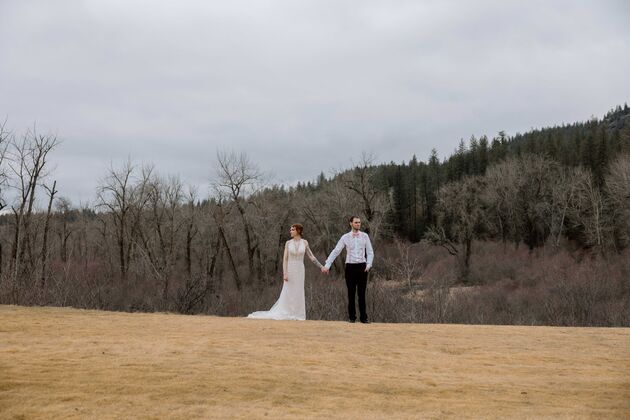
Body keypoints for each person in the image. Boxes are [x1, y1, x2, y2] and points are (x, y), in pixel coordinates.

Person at [247, 223, 324, 320]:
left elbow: (312, 257)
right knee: (288, 291)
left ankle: (298, 314)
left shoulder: (305, 242)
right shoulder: (288, 243)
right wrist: (285, 273)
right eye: (290, 229)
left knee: (299, 291)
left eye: (292, 229)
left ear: (298, 231)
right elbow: (285, 259)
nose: (290, 231)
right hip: (290, 269)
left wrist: (321, 266)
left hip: (300, 269)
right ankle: (288, 312)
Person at [322, 216, 374, 323]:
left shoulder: (365, 236)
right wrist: (327, 264)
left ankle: (364, 318)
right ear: (351, 223)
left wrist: (368, 265)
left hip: (362, 267)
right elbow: (336, 251)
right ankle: (352, 318)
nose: (358, 224)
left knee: (362, 294)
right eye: (356, 222)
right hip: (350, 267)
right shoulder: (345, 237)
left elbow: (370, 252)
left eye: (359, 222)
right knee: (351, 293)